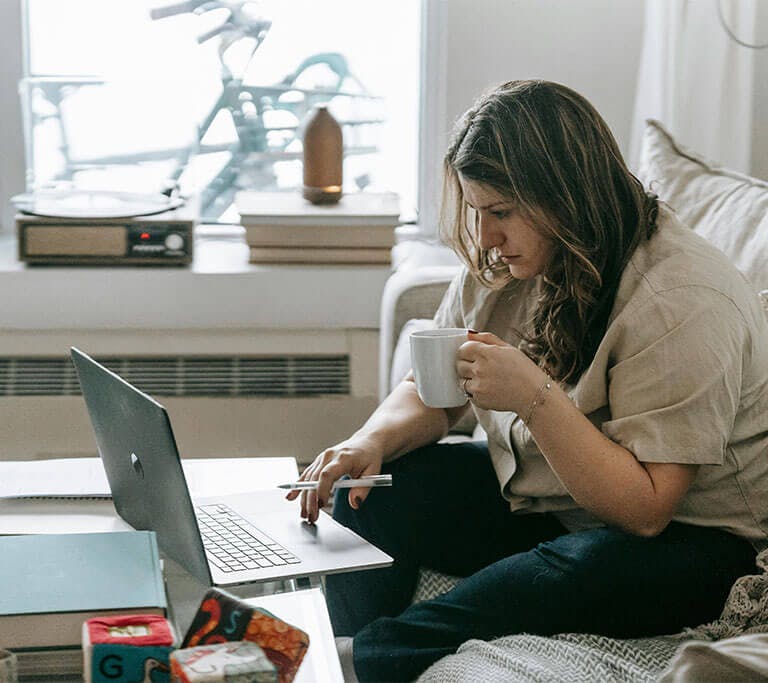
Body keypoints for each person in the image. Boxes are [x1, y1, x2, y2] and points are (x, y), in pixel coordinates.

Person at [285, 80, 768, 682]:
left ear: (566, 195)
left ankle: (356, 663)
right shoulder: (514, 261)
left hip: (698, 543)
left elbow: (646, 511)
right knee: (373, 487)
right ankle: (341, 640)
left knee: (578, 567)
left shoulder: (681, 299)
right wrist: (370, 440)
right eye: (477, 212)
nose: (485, 236)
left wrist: (534, 397)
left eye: (501, 213)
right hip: (550, 497)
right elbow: (432, 388)